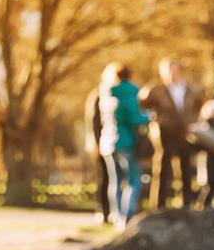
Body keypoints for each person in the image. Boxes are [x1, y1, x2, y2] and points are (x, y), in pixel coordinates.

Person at [140, 59, 204, 209]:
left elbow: (199, 106)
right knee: (163, 168)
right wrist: (155, 120)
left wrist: (194, 121)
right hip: (165, 133)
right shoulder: (156, 90)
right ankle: (158, 205)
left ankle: (186, 203)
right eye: (169, 71)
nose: (172, 74)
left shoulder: (191, 89)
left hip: (186, 132)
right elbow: (143, 106)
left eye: (175, 70)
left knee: (186, 168)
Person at [98, 63, 150, 229]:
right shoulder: (130, 92)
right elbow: (135, 118)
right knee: (133, 180)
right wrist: (149, 117)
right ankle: (126, 218)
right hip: (127, 142)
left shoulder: (106, 94)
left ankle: (117, 215)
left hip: (107, 142)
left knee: (115, 181)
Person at [84, 85, 111, 224]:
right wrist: (97, 143)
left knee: (112, 178)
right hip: (100, 144)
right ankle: (102, 210)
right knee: (103, 178)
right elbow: (93, 121)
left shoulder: (114, 93)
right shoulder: (98, 95)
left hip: (111, 143)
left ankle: (111, 210)